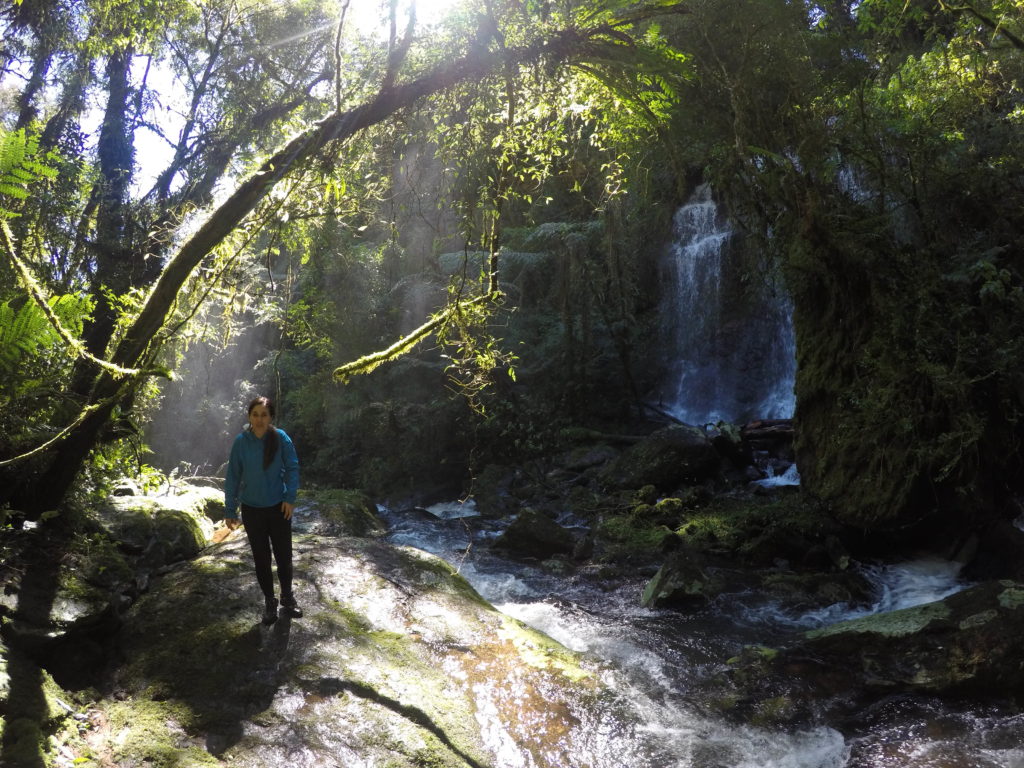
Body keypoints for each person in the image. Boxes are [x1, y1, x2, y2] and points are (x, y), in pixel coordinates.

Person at [224, 396, 301, 624]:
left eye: (264, 415)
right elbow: (233, 477)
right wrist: (230, 510)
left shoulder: (281, 438)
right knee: (261, 558)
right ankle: (270, 602)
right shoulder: (241, 442)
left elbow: (292, 467)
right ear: (249, 416)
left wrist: (290, 497)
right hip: (252, 510)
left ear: (271, 417)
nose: (259, 419)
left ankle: (287, 597)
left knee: (284, 555)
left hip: (279, 507)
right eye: (255, 415)